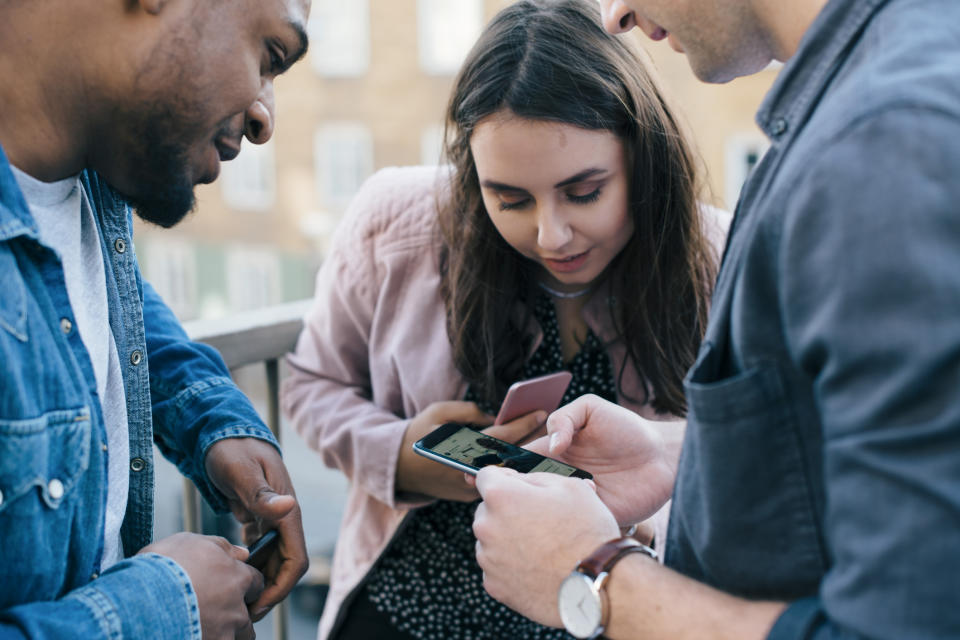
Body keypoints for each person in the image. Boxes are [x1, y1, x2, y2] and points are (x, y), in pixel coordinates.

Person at [472, 0, 960, 638]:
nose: (614, 15)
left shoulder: (882, 143)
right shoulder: (873, 96)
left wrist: (594, 575)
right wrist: (675, 452)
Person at [281, 1, 727, 638]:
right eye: (509, 199)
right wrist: (401, 457)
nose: (552, 235)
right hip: (404, 605)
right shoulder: (394, 220)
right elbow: (310, 387)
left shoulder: (718, 256)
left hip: (602, 606)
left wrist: (645, 510)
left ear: (643, 157)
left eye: (584, 191)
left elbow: (754, 453)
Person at [0, 0, 311, 638]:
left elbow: (103, 302)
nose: (263, 119)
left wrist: (215, 422)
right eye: (269, 56)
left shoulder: (82, 175)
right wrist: (165, 608)